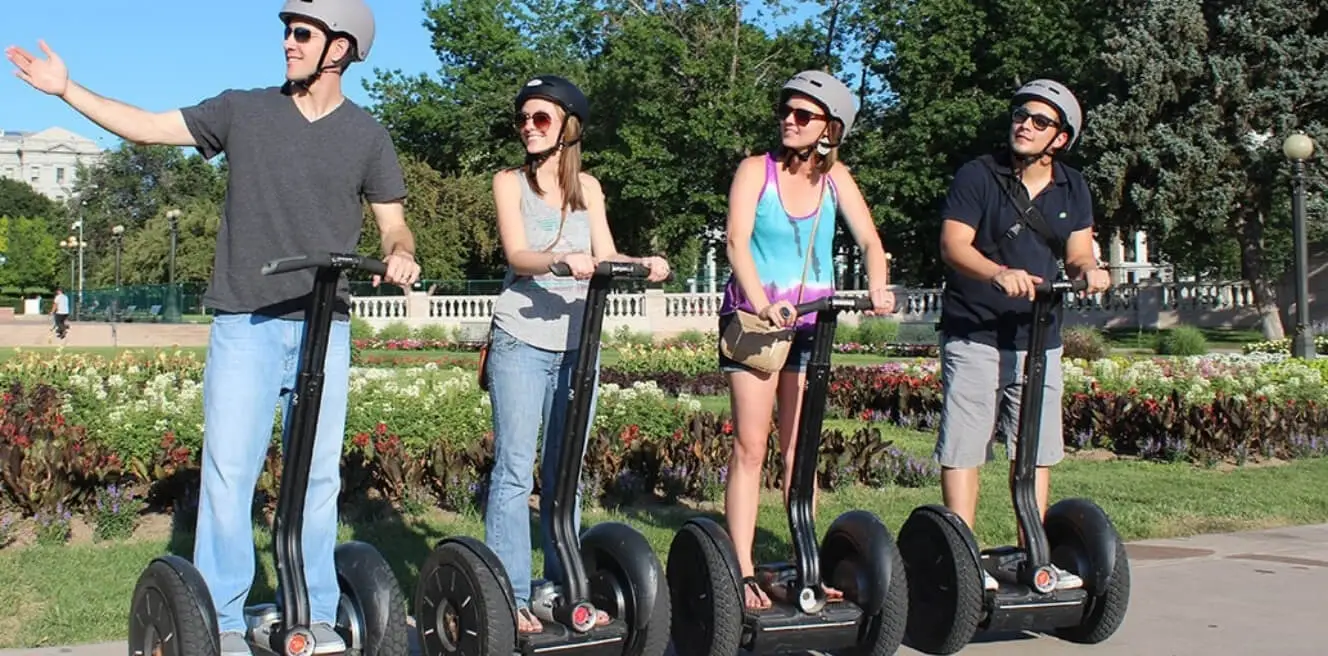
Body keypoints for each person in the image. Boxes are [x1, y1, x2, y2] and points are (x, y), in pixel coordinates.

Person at [7, 2, 420, 654]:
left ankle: (307, 610)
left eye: (302, 32)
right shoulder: (244, 111)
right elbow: (145, 127)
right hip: (247, 324)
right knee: (230, 475)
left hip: (323, 328)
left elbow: (393, 220)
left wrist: (399, 249)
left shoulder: (366, 135)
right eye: (285, 30)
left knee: (315, 480)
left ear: (340, 48)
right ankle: (221, 626)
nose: (288, 41)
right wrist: (67, 89)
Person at [483, 74, 670, 634]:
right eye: (524, 119)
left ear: (568, 127)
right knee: (515, 470)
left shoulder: (588, 187)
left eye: (541, 118)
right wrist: (561, 260)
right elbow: (518, 255)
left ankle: (560, 585)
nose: (530, 128)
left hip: (576, 346)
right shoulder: (507, 182)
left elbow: (606, 253)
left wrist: (645, 266)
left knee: (565, 471)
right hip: (520, 338)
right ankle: (509, 593)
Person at [717, 70, 895, 611]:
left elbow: (870, 238)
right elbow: (736, 241)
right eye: (786, 112)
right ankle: (743, 571)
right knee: (751, 448)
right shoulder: (756, 170)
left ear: (829, 129)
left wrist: (878, 284)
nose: (788, 122)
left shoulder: (837, 178)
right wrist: (761, 301)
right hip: (757, 324)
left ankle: (804, 562)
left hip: (815, 323)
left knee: (801, 450)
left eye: (802, 115)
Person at [935, 79, 1111, 592]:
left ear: (1060, 138)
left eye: (1039, 121)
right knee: (966, 443)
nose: (1024, 125)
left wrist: (1088, 271)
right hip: (975, 327)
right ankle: (963, 559)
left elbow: (1078, 249)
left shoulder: (1072, 185)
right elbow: (953, 245)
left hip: (1039, 335)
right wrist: (996, 273)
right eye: (1020, 115)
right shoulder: (978, 175)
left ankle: (1033, 553)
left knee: (1033, 445)